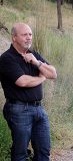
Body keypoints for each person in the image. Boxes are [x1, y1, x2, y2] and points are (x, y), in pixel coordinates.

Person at [0, 23, 57, 161]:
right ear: (14, 37)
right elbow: (22, 81)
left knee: (44, 152)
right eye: (24, 35)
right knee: (21, 154)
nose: (29, 38)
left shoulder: (33, 54)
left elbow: (53, 73)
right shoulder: (7, 58)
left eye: (30, 34)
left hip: (39, 109)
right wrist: (41, 78)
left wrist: (36, 63)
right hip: (18, 109)